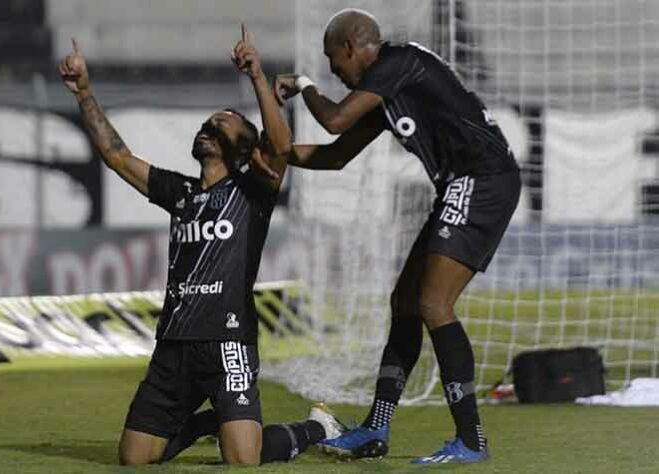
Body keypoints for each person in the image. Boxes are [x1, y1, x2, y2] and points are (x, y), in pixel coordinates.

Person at [57, 28, 343, 467]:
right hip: (173, 343)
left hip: (228, 341)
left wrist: (257, 76)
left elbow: (280, 146)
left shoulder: (254, 191)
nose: (208, 127)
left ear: (244, 147)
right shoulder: (180, 191)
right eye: (207, 123)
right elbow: (117, 155)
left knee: (243, 460)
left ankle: (317, 427)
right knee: (134, 458)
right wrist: (84, 93)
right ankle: (212, 421)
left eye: (220, 123)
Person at [263, 8, 521, 465]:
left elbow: (335, 121)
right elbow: (335, 155)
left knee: (433, 304)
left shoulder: (398, 62)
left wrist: (304, 85)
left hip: (482, 178)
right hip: (460, 184)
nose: (334, 71)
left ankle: (471, 439)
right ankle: (376, 427)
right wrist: (276, 154)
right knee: (404, 303)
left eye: (333, 60)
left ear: (350, 46)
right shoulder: (387, 91)